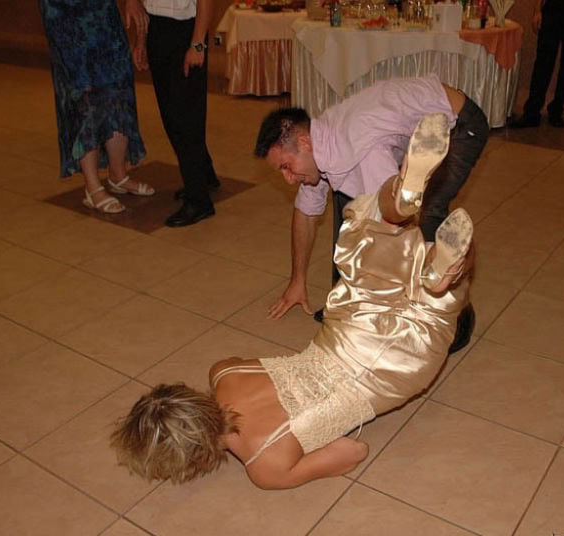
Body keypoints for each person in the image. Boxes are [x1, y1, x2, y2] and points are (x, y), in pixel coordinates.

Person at [111, 115, 474, 489]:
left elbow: (353, 451)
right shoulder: (223, 373)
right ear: (183, 395)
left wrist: (312, 431)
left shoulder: (265, 465)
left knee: (436, 303)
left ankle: (440, 279)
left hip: (395, 371)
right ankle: (401, 196)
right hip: (347, 334)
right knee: (361, 229)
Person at [254, 74, 488, 353]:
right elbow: (305, 214)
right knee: (352, 206)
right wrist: (297, 281)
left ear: (304, 143)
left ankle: (453, 322)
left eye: (286, 166)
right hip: (411, 120)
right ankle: (347, 302)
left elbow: (397, 226)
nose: (288, 179)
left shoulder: (358, 149)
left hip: (458, 123)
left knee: (423, 217)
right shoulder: (322, 145)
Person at [39, 0, 155, 214]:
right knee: (85, 92)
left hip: (102, 8)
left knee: (118, 85)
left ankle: (118, 175)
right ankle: (92, 187)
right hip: (66, 12)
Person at [124, 0, 219, 227]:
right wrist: (142, 40)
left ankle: (199, 201)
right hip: (157, 26)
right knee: (170, 113)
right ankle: (204, 175)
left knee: (185, 116)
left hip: (186, 29)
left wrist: (197, 44)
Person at [510, 0, 564, 128]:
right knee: (543, 63)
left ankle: (556, 109)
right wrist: (537, 10)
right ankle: (532, 112)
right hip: (553, 9)